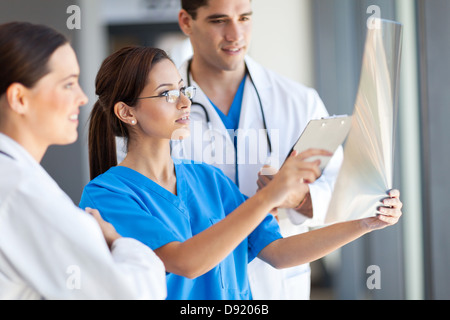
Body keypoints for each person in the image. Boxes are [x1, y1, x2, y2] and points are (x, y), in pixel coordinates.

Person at [79, 45, 403, 300]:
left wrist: (364, 223)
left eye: (183, 90)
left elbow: (278, 251)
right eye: (167, 94)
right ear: (126, 111)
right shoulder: (107, 195)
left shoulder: (208, 179)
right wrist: (269, 197)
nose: (183, 103)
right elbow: (185, 262)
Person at [175, 0, 343, 299]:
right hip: (195, 286)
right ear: (187, 22)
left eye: (244, 18)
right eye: (218, 20)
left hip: (276, 283)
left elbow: (341, 191)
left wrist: (299, 198)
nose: (235, 34)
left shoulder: (299, 101)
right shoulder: (158, 104)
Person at [0, 22, 166, 300]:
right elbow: (133, 295)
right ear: (19, 98)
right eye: (67, 84)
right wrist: (118, 242)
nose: (83, 97)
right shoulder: (20, 190)